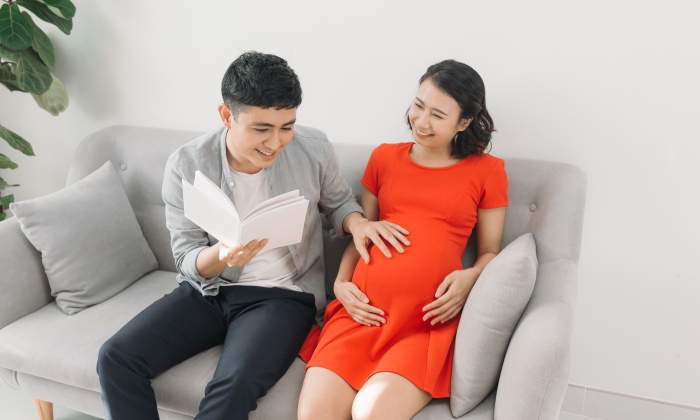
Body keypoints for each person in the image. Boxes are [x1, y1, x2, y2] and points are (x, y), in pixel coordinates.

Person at [96, 51, 403, 420]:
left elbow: (338, 204)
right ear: (227, 116)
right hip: (209, 292)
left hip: (282, 298)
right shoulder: (187, 164)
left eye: (286, 126)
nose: (275, 142)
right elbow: (186, 258)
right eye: (262, 129)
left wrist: (359, 224)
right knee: (116, 357)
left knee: (234, 384)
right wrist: (221, 256)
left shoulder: (314, 148)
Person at [297, 59, 509, 420]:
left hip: (423, 326)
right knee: (314, 414)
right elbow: (365, 233)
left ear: (465, 122)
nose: (421, 121)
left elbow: (491, 251)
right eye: (418, 105)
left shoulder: (488, 171)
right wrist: (341, 283)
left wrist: (470, 277)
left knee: (371, 413)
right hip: (361, 316)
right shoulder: (383, 157)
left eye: (438, 115)